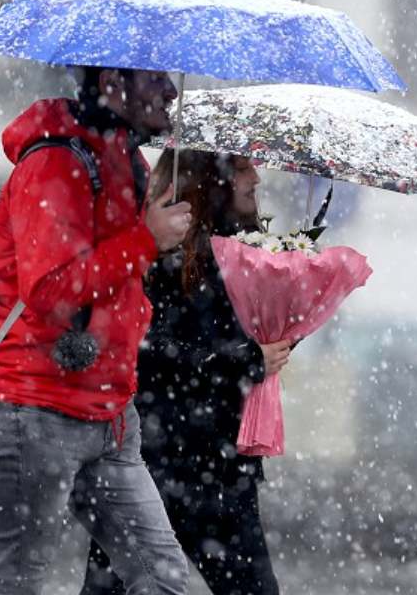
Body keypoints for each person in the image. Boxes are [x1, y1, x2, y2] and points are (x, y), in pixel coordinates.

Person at [0, 66, 193, 594]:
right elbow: (50, 289)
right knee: (14, 584)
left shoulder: (124, 161)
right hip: (35, 410)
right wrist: (145, 240)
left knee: (162, 579)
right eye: (154, 78)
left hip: (110, 415)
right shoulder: (54, 161)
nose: (170, 90)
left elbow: (120, 282)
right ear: (112, 83)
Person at [80, 149, 293, 595]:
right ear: (209, 179)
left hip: (222, 467)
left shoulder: (248, 252)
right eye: (241, 168)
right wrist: (243, 361)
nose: (255, 176)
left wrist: (283, 332)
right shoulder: (160, 254)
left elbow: (236, 346)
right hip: (153, 463)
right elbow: (149, 352)